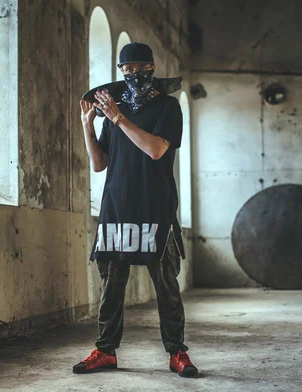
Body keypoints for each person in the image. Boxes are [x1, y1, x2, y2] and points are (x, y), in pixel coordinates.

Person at [73, 42, 198, 378]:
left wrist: (119, 118)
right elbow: (99, 164)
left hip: (156, 208)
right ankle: (104, 351)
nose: (134, 73)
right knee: (111, 284)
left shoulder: (168, 107)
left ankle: (177, 353)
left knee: (166, 284)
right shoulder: (115, 111)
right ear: (121, 71)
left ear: (152, 68)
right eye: (127, 69)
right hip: (117, 208)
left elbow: (156, 150)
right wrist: (89, 125)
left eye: (141, 67)